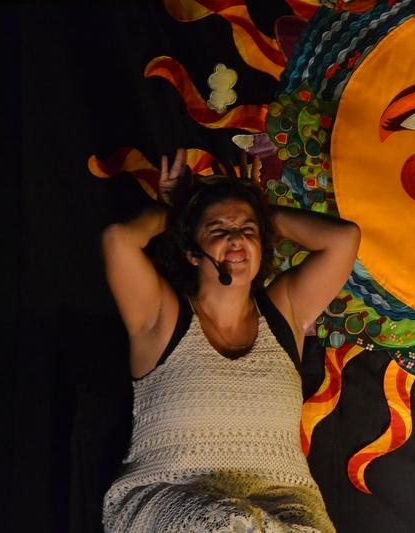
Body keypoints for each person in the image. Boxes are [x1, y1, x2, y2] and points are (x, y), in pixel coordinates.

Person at [101, 148, 360, 532]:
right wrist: (176, 212)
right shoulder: (161, 316)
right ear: (192, 252)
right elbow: (118, 240)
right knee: (232, 523)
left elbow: (343, 239)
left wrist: (258, 210)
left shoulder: (285, 311)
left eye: (247, 231)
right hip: (173, 497)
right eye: (219, 230)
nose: (236, 239)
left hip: (281, 504)